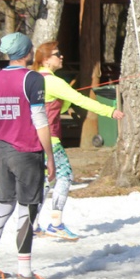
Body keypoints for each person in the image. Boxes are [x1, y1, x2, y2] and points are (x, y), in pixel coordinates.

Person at [0, 32, 55, 279]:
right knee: (27, 209)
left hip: (3, 150)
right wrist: (50, 156)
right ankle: (25, 271)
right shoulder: (32, 78)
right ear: (26, 52)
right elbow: (40, 120)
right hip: (27, 152)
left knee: (4, 206)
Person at [32, 41, 125, 240]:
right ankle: (56, 224)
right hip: (50, 139)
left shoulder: (32, 78)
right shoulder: (53, 82)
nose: (62, 57)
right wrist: (109, 111)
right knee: (64, 176)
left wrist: (62, 100)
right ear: (46, 60)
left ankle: (32, 224)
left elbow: (63, 105)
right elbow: (80, 100)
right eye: (57, 54)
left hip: (31, 139)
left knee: (45, 179)